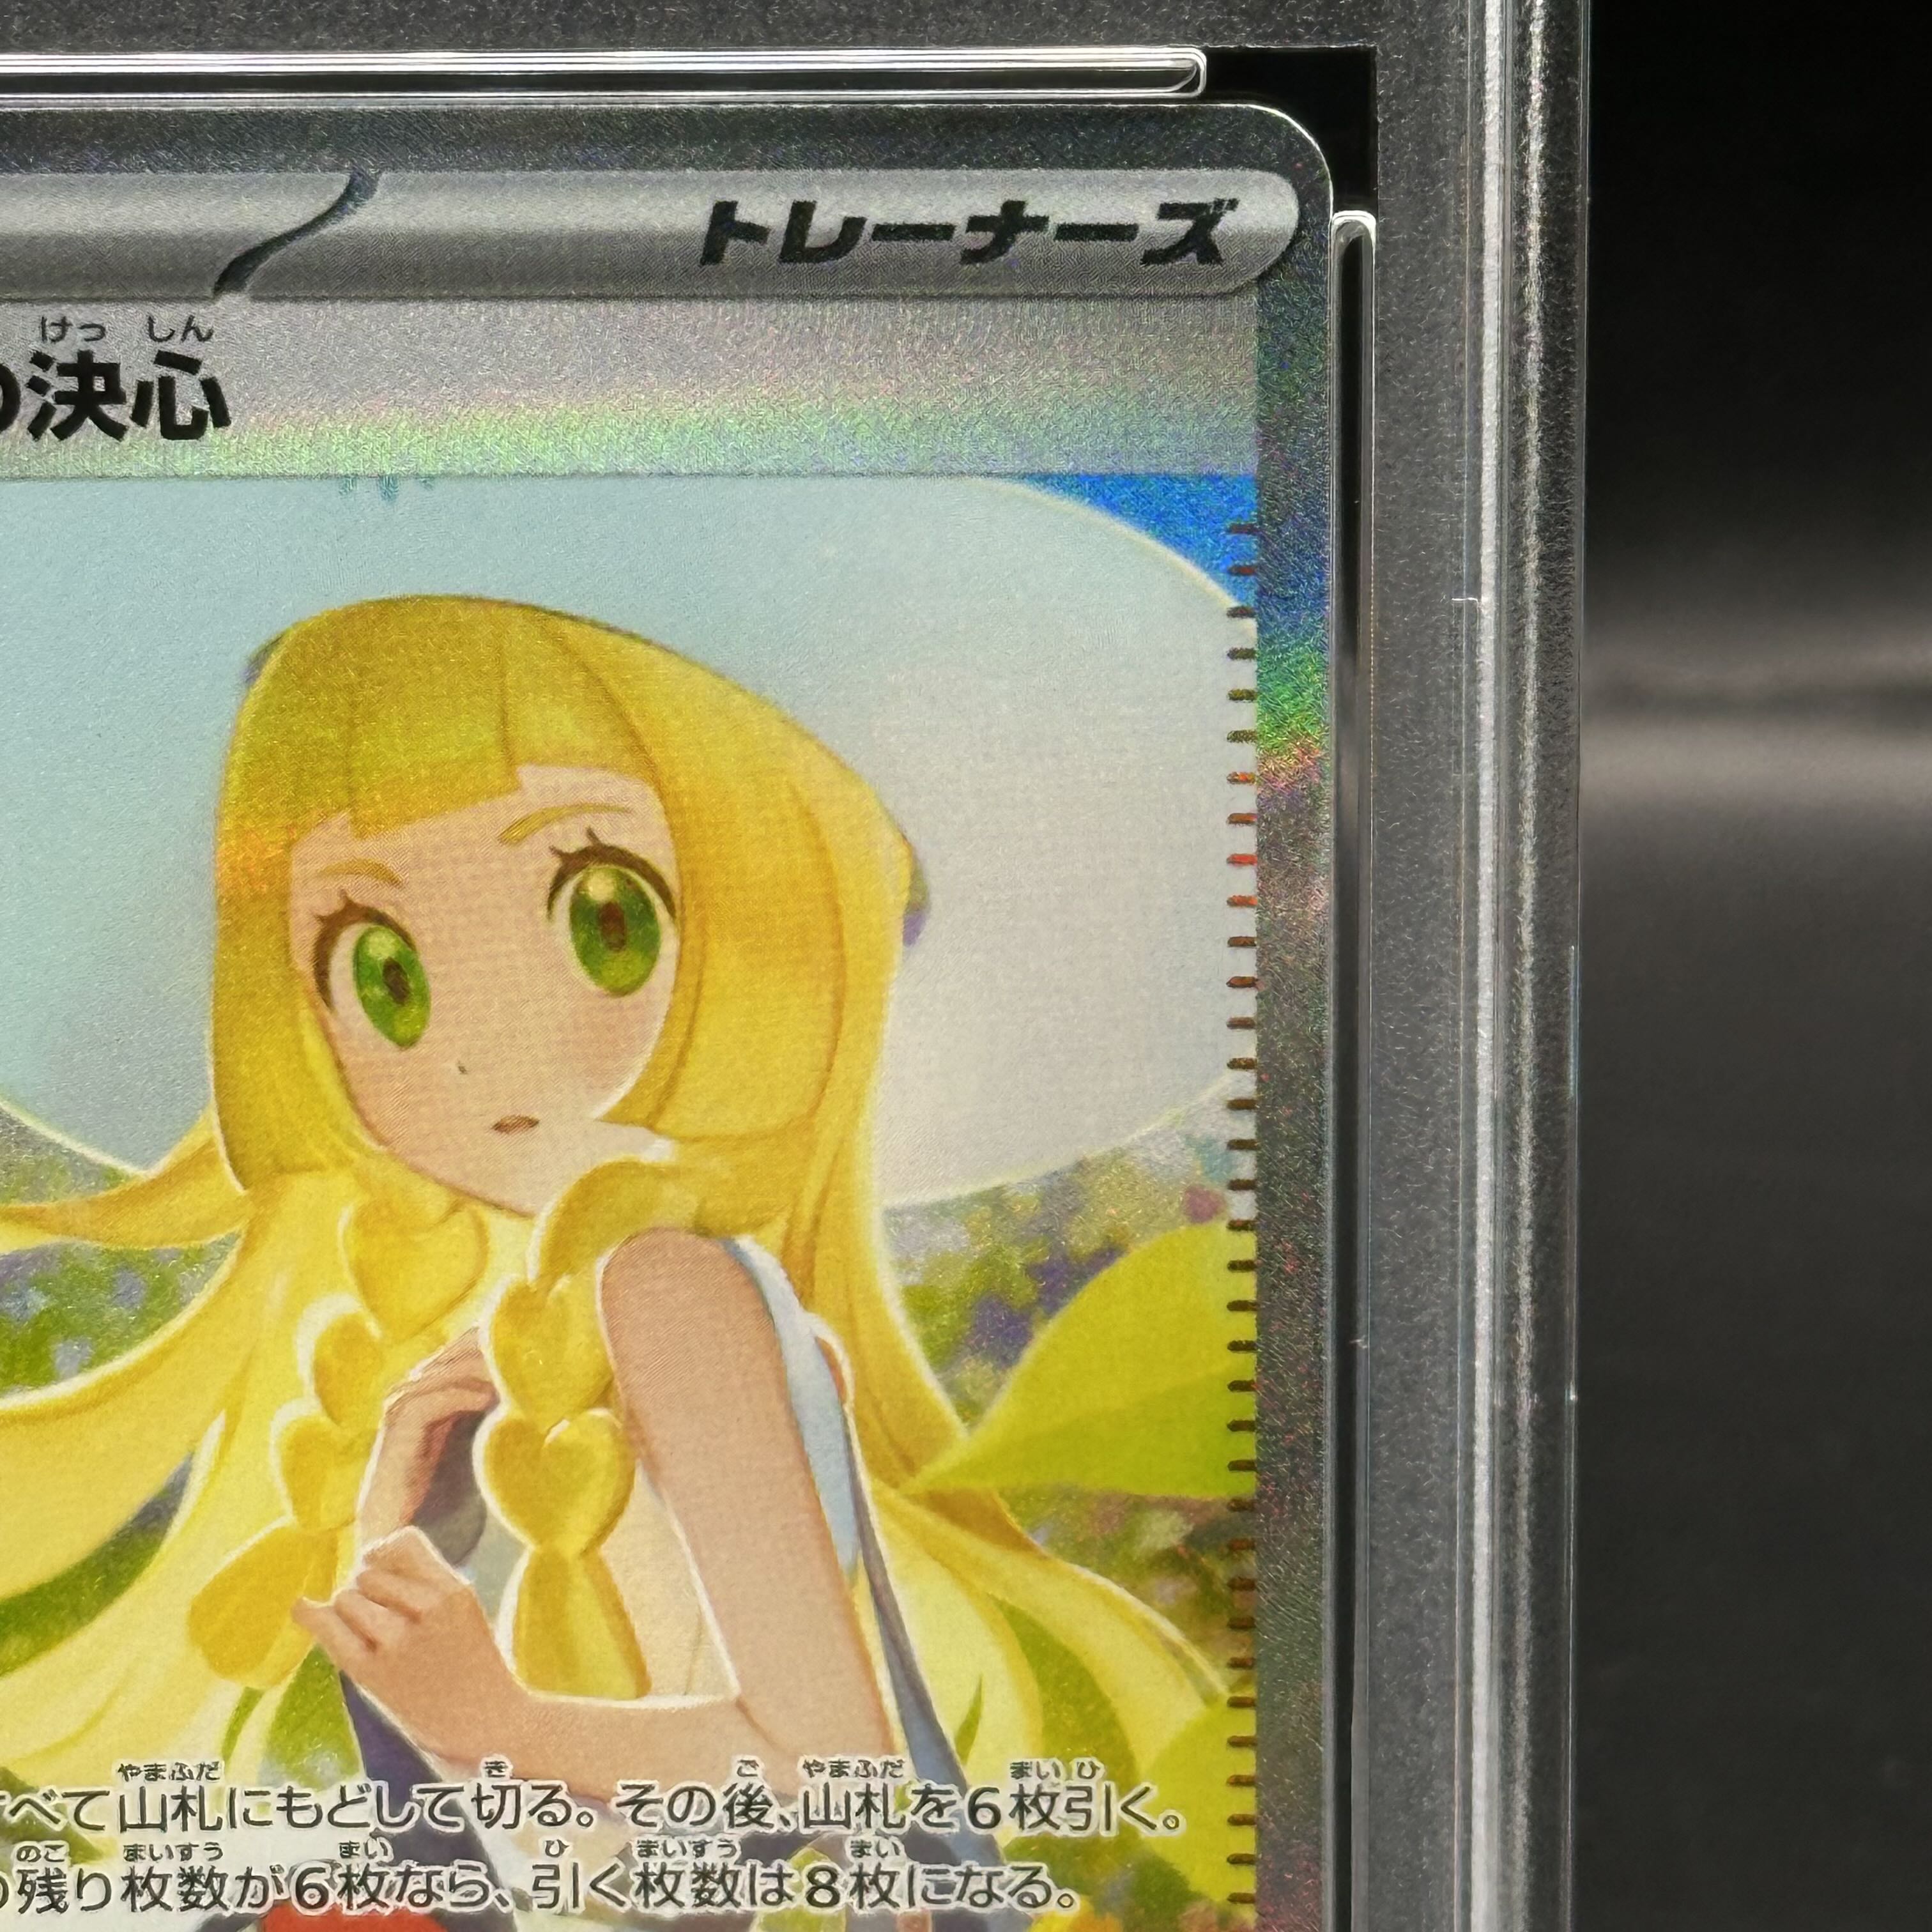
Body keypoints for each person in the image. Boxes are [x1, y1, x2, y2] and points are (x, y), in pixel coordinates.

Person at [0, 598, 1213, 1880]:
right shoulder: (579, 1335)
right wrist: (400, 1546)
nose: (481, 1050)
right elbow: (562, 1841)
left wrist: (495, 1716)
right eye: (384, 971)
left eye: (603, 920)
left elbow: (832, 1772)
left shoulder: (669, 1289)